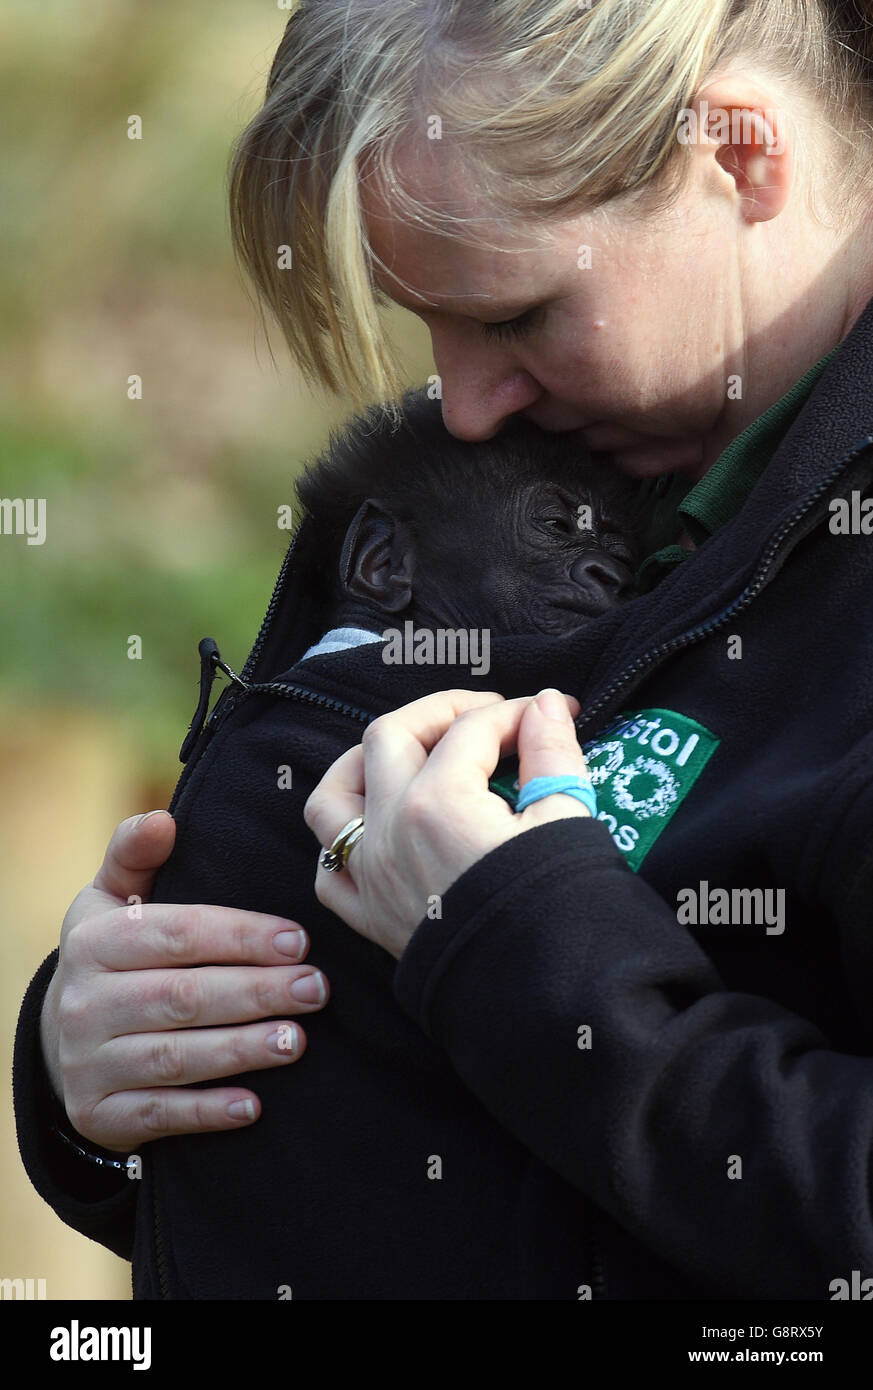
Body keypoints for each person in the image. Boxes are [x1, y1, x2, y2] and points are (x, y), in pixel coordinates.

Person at [14, 0, 873, 1299]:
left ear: (741, 158)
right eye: (428, 319)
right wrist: (104, 1066)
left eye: (520, 315)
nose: (463, 403)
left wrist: (525, 958)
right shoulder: (534, 462)